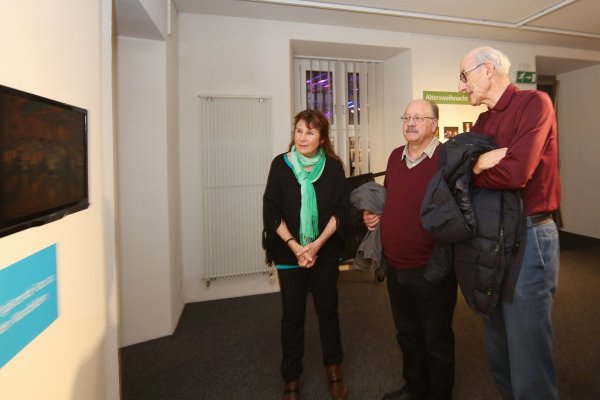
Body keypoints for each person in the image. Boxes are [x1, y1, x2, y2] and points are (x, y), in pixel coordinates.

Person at [458, 46, 561, 399]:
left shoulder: (535, 103)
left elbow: (515, 173)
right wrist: (476, 165)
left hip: (530, 236)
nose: (461, 86)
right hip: (492, 235)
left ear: (487, 70)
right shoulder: (483, 121)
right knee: (498, 344)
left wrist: (474, 170)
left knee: (527, 349)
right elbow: (459, 173)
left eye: (464, 76)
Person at [363, 99, 457, 400]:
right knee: (407, 334)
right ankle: (415, 388)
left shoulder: (447, 158)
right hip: (396, 265)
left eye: (419, 117)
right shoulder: (395, 156)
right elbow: (390, 200)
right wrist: (374, 215)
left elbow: (460, 211)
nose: (411, 123)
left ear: (435, 125)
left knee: (436, 339)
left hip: (432, 267)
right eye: (406, 117)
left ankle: (440, 394)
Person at [263, 109, 349, 400]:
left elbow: (341, 210)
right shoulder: (280, 165)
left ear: (322, 138)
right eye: (299, 131)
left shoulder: (334, 168)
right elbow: (271, 210)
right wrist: (296, 246)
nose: (302, 137)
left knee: (328, 312)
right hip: (289, 253)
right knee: (292, 317)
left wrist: (317, 245)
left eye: (309, 132)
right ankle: (291, 377)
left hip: (325, 252)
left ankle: (334, 370)